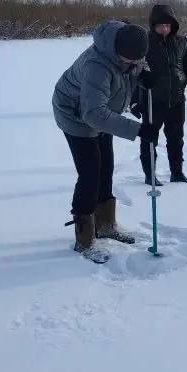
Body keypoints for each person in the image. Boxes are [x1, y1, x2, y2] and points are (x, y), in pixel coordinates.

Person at [52, 20, 158, 262]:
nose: (135, 63)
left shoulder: (131, 41)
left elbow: (137, 64)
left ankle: (105, 225)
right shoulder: (97, 66)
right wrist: (139, 130)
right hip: (76, 115)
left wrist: (142, 76)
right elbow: (93, 114)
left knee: (106, 166)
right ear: (119, 54)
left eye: (138, 59)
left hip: (103, 110)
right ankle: (84, 239)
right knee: (91, 172)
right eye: (131, 61)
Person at [131, 5, 187, 184]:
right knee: (149, 139)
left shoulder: (182, 42)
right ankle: (150, 175)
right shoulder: (144, 43)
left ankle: (177, 172)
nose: (164, 28)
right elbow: (134, 73)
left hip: (176, 100)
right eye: (161, 25)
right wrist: (133, 101)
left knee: (176, 139)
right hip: (152, 101)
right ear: (153, 25)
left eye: (168, 25)